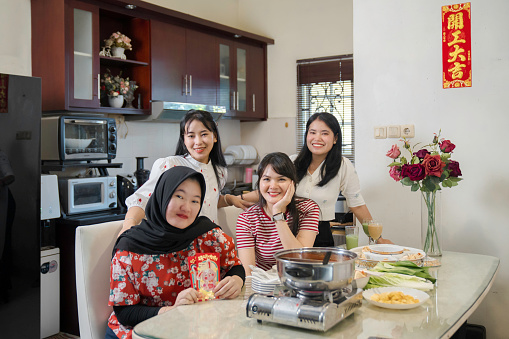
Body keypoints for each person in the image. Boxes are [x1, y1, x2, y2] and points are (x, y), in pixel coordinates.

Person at [106, 166, 245, 339]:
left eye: (195, 201)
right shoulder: (130, 249)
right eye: (179, 196)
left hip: (192, 328)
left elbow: (235, 266)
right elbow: (125, 313)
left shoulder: (207, 235)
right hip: (140, 331)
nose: (186, 207)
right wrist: (171, 311)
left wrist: (236, 280)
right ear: (163, 196)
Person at [121, 110, 249, 236]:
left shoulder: (220, 172)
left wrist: (229, 199)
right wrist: (128, 226)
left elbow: (207, 201)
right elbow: (142, 199)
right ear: (184, 139)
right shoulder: (170, 165)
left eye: (204, 134)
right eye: (191, 136)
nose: (198, 142)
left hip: (208, 242)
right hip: (177, 243)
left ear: (214, 136)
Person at [292, 112, 391, 245]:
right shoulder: (291, 161)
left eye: (325, 133)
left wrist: (378, 238)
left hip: (320, 236)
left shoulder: (343, 166)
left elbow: (358, 205)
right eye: (313, 132)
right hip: (288, 231)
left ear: (335, 138)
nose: (317, 138)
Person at [236, 152, 320, 275]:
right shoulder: (247, 218)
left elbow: (300, 259)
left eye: (281, 179)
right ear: (259, 183)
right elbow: (248, 273)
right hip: (263, 285)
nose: (273, 186)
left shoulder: (308, 209)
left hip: (299, 279)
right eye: (266, 179)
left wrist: (278, 215)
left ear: (292, 183)